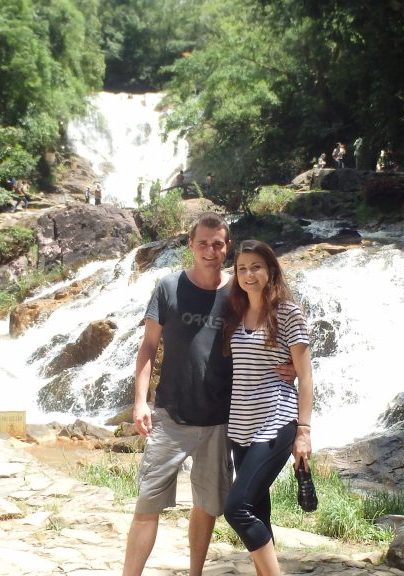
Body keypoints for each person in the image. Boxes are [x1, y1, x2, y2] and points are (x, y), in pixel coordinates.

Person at [123, 213, 294, 576]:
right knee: (147, 504)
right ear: (191, 245)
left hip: (221, 421)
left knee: (207, 505)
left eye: (217, 244)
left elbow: (273, 327)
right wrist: (140, 401)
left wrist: (292, 365)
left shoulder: (238, 292)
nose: (210, 251)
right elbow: (148, 347)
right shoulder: (168, 287)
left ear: (227, 247)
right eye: (202, 243)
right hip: (170, 415)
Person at [222, 240, 314, 576]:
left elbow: (306, 376)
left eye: (256, 267)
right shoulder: (234, 312)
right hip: (240, 426)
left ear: (270, 270)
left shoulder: (287, 313)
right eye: (242, 268)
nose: (249, 274)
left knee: (237, 509)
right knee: (258, 512)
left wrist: (303, 432)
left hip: (276, 421)